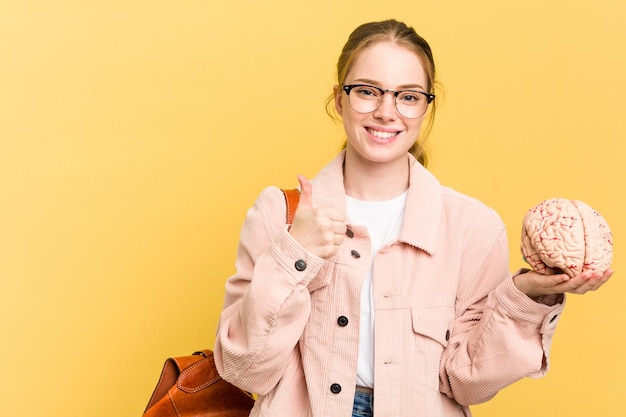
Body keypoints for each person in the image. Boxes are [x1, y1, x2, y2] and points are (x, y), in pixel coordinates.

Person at [213, 19, 613, 417]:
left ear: (425, 105)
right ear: (338, 99)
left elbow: (467, 382)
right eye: (367, 92)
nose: (387, 112)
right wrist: (294, 255)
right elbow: (245, 371)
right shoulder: (280, 213)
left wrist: (526, 294)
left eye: (407, 96)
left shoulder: (472, 227)